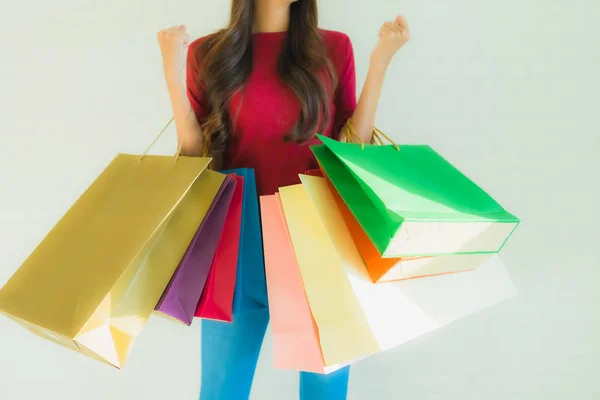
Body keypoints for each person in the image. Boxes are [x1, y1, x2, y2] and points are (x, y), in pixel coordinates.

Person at [157, 0, 409, 398]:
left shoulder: (333, 48)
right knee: (222, 390)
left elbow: (351, 149)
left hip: (316, 234)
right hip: (237, 239)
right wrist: (173, 75)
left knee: (324, 390)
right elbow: (196, 158)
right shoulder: (208, 53)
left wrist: (379, 63)